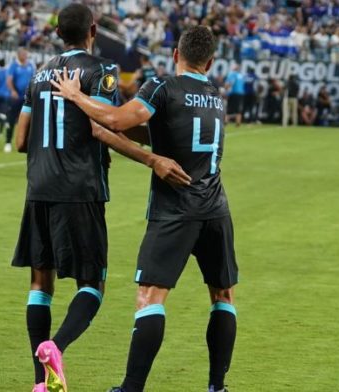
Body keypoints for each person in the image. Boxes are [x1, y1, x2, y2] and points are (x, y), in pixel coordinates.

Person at [11, 4, 191, 392]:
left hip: (38, 188)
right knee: (92, 286)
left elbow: (20, 140)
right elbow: (104, 127)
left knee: (40, 284)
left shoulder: (39, 74)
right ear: (93, 29)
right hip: (79, 190)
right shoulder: (100, 71)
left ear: (58, 33)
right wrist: (152, 158)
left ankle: (40, 383)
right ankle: (54, 347)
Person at [51, 25, 238, 392]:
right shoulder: (216, 96)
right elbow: (156, 130)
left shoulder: (162, 86)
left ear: (175, 55)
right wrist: (111, 131)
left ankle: (131, 388)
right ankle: (218, 386)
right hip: (216, 207)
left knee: (150, 296)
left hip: (176, 209)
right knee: (223, 296)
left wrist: (76, 96)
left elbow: (120, 119)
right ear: (211, 62)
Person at [5, 48, 34, 152]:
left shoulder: (30, 65)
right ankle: (8, 142)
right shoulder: (13, 66)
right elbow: (9, 80)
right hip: (16, 97)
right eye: (24, 54)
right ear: (19, 55)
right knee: (11, 119)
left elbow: (33, 79)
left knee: (30, 120)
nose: (25, 56)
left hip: (27, 98)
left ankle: (27, 142)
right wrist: (13, 91)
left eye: (26, 54)